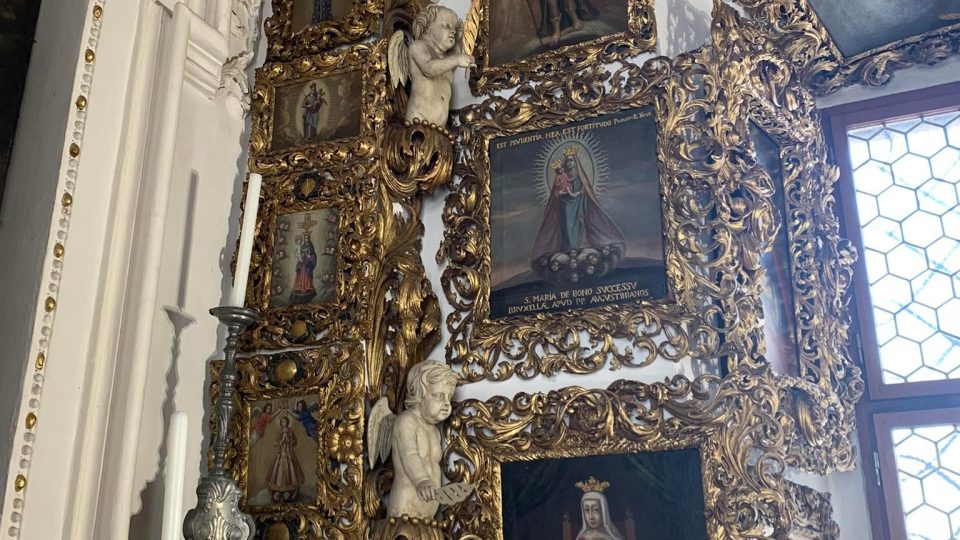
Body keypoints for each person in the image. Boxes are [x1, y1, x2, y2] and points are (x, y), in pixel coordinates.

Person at [530, 146, 626, 271]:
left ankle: (577, 249)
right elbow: (556, 191)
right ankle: (568, 250)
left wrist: (576, 194)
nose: (570, 162)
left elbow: (584, 188)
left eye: (572, 160)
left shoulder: (579, 175)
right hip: (564, 204)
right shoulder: (562, 175)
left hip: (578, 203)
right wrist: (560, 193)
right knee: (566, 226)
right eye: (568, 160)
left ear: (575, 162)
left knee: (578, 224)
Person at [386, 361, 458, 519]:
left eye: (449, 397)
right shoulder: (406, 421)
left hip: (428, 510)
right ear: (420, 395)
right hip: (406, 503)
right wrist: (422, 480)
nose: (447, 404)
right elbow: (409, 456)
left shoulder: (434, 431)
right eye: (439, 396)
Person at [390, 4, 476, 127]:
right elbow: (429, 68)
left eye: (454, 28)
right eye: (446, 26)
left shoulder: (445, 59)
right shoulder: (418, 46)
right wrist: (457, 59)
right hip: (418, 120)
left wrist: (459, 37)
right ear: (428, 26)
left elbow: (455, 53)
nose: (452, 31)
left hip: (439, 128)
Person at [266, 416, 305, 502]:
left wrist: (289, 441)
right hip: (281, 453)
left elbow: (295, 441)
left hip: (289, 452)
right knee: (277, 468)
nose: (284, 423)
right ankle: (278, 490)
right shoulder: (280, 431)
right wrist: (280, 442)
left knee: (291, 468)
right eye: (282, 422)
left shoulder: (290, 431)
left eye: (285, 422)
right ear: (281, 423)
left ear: (287, 422)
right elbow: (276, 442)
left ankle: (290, 489)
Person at [290, 236, 318, 304]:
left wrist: (310, 257)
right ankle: (300, 287)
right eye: (305, 238)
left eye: (307, 238)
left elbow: (313, 255)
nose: (306, 240)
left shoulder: (311, 246)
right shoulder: (302, 246)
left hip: (308, 264)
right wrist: (302, 255)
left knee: (307, 275)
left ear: (309, 239)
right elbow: (298, 254)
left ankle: (307, 287)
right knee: (300, 275)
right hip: (302, 263)